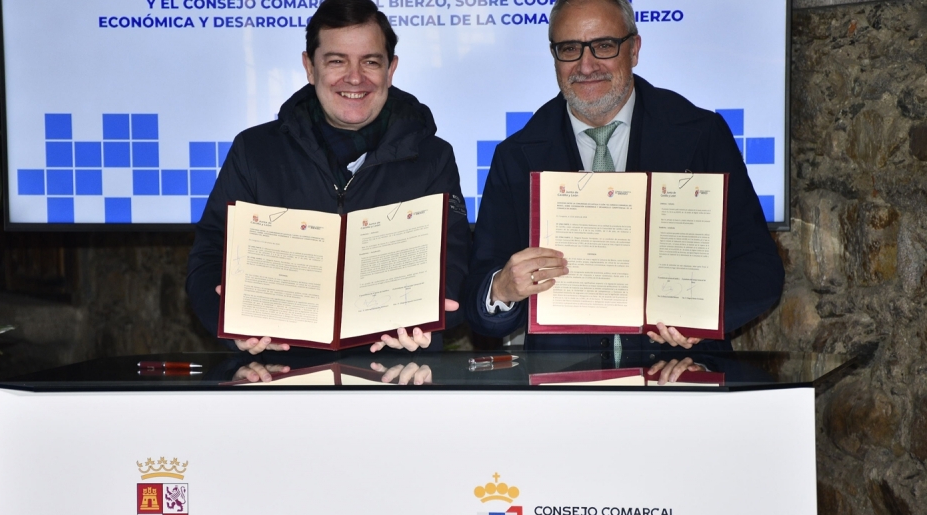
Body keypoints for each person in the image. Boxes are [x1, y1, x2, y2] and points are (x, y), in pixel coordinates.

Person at [463, 0, 784, 356]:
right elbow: (480, 301)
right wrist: (502, 290)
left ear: (634, 49)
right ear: (554, 57)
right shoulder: (516, 156)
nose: (586, 66)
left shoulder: (701, 134)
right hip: (563, 380)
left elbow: (760, 269)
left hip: (682, 372)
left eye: (604, 46)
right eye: (569, 49)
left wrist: (703, 317)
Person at [187, 0, 469, 354]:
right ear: (310, 67)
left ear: (391, 69)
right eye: (337, 61)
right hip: (281, 367)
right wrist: (231, 325)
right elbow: (211, 257)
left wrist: (434, 314)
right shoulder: (254, 151)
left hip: (399, 366)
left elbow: (455, 261)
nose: (355, 77)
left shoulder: (433, 156)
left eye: (370, 62)